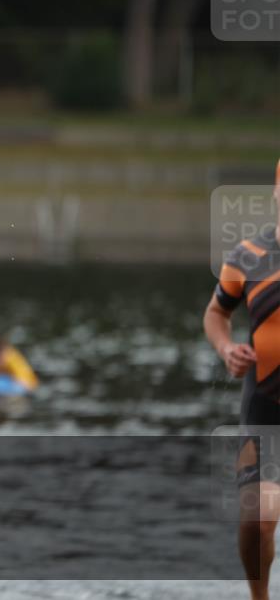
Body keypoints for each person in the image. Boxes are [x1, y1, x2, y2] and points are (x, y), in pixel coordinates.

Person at [203, 159, 280, 600]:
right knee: (257, 519)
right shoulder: (246, 257)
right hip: (266, 406)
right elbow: (217, 314)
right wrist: (226, 348)